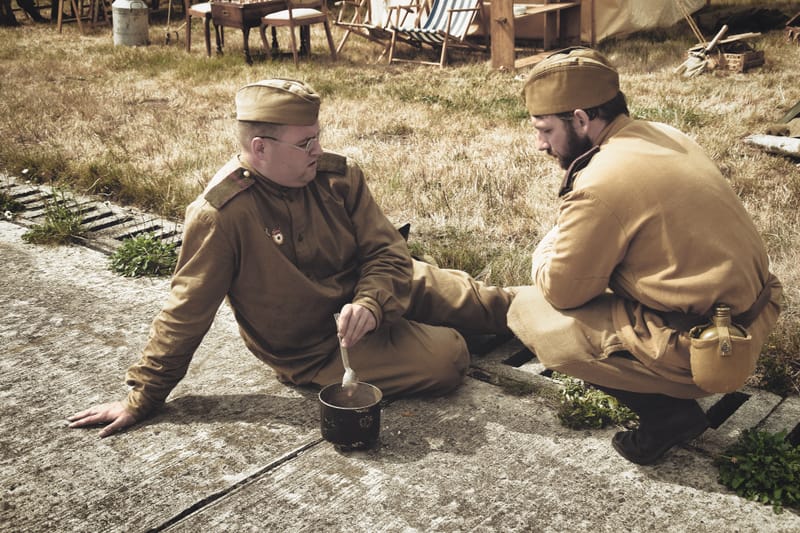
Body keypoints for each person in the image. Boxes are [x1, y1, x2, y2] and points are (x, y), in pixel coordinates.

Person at [68, 78, 513, 437]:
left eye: (317, 138)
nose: (317, 151)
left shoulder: (338, 178)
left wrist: (372, 304)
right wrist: (143, 396)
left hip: (373, 294)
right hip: (316, 345)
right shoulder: (221, 215)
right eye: (305, 144)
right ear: (260, 148)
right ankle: (419, 333)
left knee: (491, 304)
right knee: (448, 357)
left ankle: (569, 316)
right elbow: (185, 312)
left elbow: (385, 252)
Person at [506, 47, 782, 465]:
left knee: (530, 311)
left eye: (545, 130)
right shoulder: (665, 133)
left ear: (581, 119)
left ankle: (666, 414)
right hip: (753, 317)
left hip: (708, 350)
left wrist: (548, 243)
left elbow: (561, 290)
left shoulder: (600, 181)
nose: (540, 145)